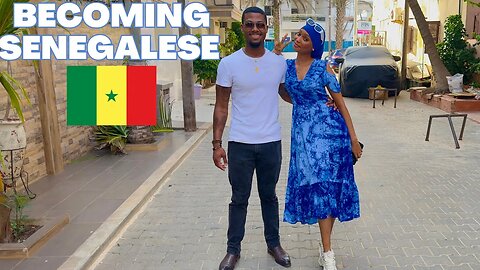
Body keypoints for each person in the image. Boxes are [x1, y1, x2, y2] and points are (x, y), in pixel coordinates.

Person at [273, 18, 362, 270]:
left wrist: (353, 140)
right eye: (299, 34)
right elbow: (282, 91)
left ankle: (327, 251)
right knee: (318, 187)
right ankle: (326, 248)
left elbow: (341, 103)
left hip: (330, 134)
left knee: (327, 187)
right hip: (303, 135)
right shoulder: (287, 68)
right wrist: (277, 51)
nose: (299, 39)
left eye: (305, 37)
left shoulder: (323, 68)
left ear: (313, 46)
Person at [212, 6, 291, 270]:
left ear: (266, 29)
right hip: (240, 144)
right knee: (239, 199)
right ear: (243, 27)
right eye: (250, 24)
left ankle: (274, 244)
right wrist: (216, 144)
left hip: (271, 142)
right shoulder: (229, 63)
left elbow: (285, 93)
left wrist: (317, 102)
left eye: (260, 25)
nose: (255, 29)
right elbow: (221, 105)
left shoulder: (278, 62)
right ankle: (233, 251)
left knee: (269, 196)